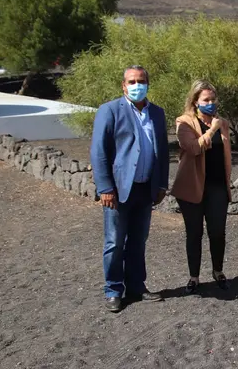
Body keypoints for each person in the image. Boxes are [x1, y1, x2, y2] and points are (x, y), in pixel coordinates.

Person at [90, 65, 170, 313]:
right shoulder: (110, 110)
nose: (137, 86)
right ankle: (114, 289)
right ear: (124, 86)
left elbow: (163, 152)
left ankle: (136, 286)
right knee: (114, 242)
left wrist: (161, 183)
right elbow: (99, 151)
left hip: (145, 188)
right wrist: (104, 187)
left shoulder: (156, 113)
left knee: (138, 241)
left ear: (148, 83)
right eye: (132, 82)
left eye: (142, 81)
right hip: (118, 189)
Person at [170, 80, 232, 294]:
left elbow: (225, 155)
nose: (211, 103)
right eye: (206, 100)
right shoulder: (185, 122)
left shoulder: (222, 123)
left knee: (217, 232)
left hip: (217, 187)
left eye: (213, 99)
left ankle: (218, 271)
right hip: (192, 187)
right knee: (194, 233)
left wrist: (217, 125)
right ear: (195, 101)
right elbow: (194, 148)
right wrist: (212, 129)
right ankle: (194, 276)